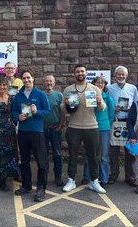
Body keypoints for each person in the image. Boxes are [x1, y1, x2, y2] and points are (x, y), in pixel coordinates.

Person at [61, 64, 107, 194]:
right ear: (74, 74)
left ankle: (94, 181)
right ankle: (71, 180)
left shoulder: (95, 89)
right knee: (73, 155)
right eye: (77, 71)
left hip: (91, 127)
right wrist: (65, 104)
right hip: (74, 127)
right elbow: (63, 109)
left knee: (93, 156)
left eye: (82, 71)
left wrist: (99, 101)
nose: (80, 73)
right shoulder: (69, 89)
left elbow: (102, 108)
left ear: (86, 73)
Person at [12, 69, 51, 202]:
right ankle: (26, 185)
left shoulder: (40, 94)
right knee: (24, 161)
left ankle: (41, 188)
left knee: (41, 162)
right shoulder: (18, 95)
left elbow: (47, 111)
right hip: (23, 132)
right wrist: (18, 117)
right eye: (24, 78)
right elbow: (14, 111)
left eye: (28, 78)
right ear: (21, 80)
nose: (26, 80)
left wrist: (36, 111)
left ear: (33, 78)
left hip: (37, 132)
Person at [107, 65, 138, 187]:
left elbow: (137, 104)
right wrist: (114, 109)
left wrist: (132, 109)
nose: (121, 76)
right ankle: (113, 175)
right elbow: (107, 104)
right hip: (115, 121)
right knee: (113, 151)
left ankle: (130, 176)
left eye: (123, 74)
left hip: (129, 123)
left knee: (131, 151)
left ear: (126, 75)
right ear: (115, 76)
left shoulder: (133, 88)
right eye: (118, 74)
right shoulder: (109, 88)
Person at [82, 76, 115, 189]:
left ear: (105, 85)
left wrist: (105, 124)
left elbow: (111, 115)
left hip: (103, 129)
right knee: (88, 154)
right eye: (97, 82)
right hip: (90, 128)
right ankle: (87, 176)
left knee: (104, 156)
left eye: (102, 83)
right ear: (93, 84)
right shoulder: (89, 97)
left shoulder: (108, 98)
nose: (100, 84)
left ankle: (104, 178)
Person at [42, 75, 65, 187]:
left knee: (57, 154)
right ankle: (44, 176)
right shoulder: (40, 95)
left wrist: (61, 125)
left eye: (51, 81)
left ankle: (58, 177)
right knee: (43, 154)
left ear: (54, 83)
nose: (48, 83)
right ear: (44, 83)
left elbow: (62, 112)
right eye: (46, 81)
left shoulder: (59, 95)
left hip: (56, 129)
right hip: (43, 129)